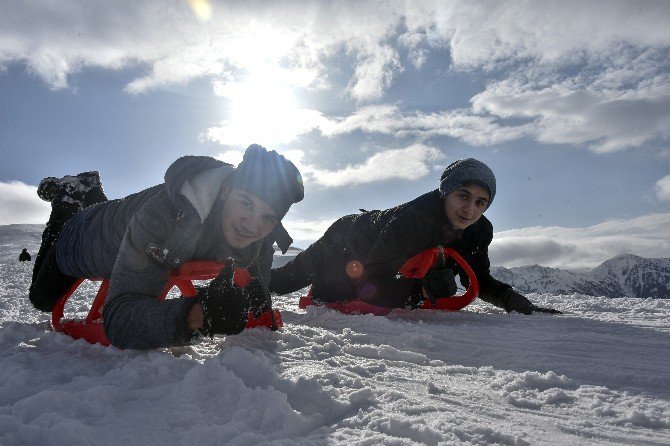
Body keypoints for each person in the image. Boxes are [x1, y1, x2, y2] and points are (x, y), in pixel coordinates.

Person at [29, 144, 304, 349]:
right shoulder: (164, 216)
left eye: (268, 217)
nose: (252, 226)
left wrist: (256, 291)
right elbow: (120, 319)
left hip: (121, 217)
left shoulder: (261, 230)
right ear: (224, 191)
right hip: (82, 237)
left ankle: (89, 193)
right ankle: (65, 203)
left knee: (112, 214)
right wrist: (197, 315)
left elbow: (257, 259)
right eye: (246, 203)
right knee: (42, 299)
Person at [270, 158, 560, 315]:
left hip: (376, 252)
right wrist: (416, 294)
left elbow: (478, 280)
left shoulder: (480, 230)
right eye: (463, 196)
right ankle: (238, 267)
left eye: (480, 202)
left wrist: (510, 300)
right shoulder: (415, 220)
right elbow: (373, 277)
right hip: (349, 239)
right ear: (447, 192)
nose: (470, 210)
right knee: (284, 283)